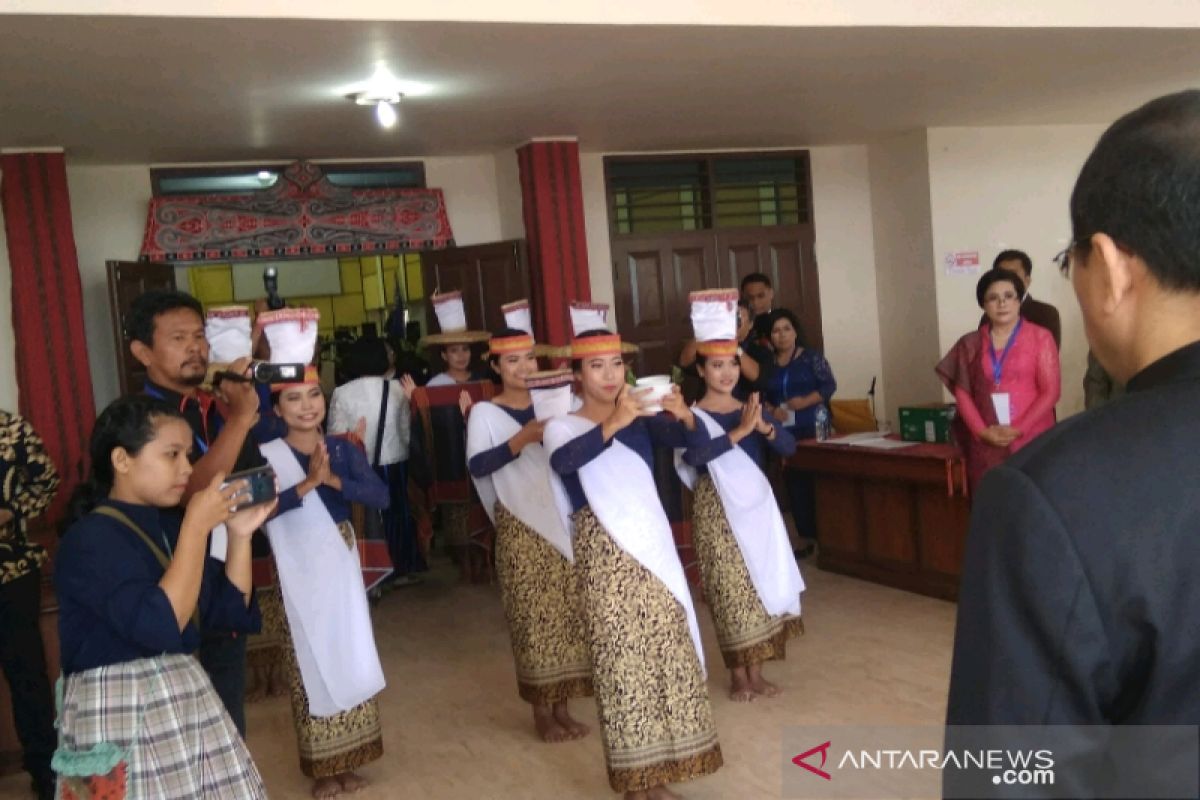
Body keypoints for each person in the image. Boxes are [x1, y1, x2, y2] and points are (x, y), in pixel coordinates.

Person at [946, 91, 1200, 798]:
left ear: (1113, 268)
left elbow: (1011, 774)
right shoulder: (971, 349)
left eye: (1073, 260)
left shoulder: (1054, 495)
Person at [54, 396, 271, 798]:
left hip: (183, 698)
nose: (187, 469)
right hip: (117, 712)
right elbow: (160, 624)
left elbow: (227, 612)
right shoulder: (91, 539)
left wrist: (240, 535)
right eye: (172, 455)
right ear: (122, 460)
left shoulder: (171, 525)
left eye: (187, 455)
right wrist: (195, 528)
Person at [546, 328, 721, 800]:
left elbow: (701, 450)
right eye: (596, 366)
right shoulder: (563, 425)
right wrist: (614, 423)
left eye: (616, 364)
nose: (609, 374)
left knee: (666, 656)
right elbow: (565, 462)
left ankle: (658, 776)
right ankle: (633, 784)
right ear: (577, 376)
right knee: (623, 667)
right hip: (604, 556)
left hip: (653, 550)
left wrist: (686, 417)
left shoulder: (643, 421)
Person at [127, 288, 264, 734]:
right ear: (143, 351)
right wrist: (240, 420)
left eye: (200, 336)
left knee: (227, 712)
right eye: (179, 338)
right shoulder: (139, 420)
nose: (196, 348)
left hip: (226, 572)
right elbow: (192, 491)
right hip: (173, 582)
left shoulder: (209, 406)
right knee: (184, 723)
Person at [259, 352, 389, 798]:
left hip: (340, 557)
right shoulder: (268, 456)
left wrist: (334, 482)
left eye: (313, 394)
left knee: (348, 649)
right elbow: (260, 512)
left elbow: (380, 496)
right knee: (310, 658)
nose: (306, 406)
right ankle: (322, 769)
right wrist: (306, 485)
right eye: (292, 398)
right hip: (297, 564)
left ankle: (352, 758)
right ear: (277, 410)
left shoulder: (341, 449)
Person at [674, 295, 805, 704]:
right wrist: (737, 434)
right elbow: (694, 458)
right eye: (716, 364)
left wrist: (761, 428)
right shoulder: (692, 415)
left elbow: (788, 448)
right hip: (716, 509)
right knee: (729, 590)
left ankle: (757, 672)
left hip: (757, 508)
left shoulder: (750, 406)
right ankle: (737, 676)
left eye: (732, 363)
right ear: (701, 369)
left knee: (757, 585)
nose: (727, 372)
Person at [466, 324, 593, 743]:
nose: (523, 367)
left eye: (529, 357)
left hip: (564, 521)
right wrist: (522, 438)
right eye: (512, 360)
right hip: (520, 527)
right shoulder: (486, 413)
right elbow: (478, 467)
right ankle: (542, 713)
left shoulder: (560, 403)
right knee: (533, 621)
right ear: (496, 366)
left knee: (569, 617)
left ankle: (564, 707)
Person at [936, 269, 1060, 491]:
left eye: (1009, 296)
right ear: (983, 305)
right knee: (993, 506)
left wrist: (1018, 429)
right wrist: (982, 431)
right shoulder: (970, 344)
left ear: (1019, 300)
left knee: (1031, 503)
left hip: (1032, 436)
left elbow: (1051, 392)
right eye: (993, 298)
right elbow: (962, 392)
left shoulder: (1040, 337)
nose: (1002, 303)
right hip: (986, 441)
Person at [328, 337, 423, 585]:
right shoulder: (397, 389)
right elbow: (405, 429)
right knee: (397, 512)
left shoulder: (341, 393)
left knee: (364, 517)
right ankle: (401, 565)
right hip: (395, 461)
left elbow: (336, 435)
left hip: (358, 463)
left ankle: (371, 568)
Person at [0, 410, 58, 800]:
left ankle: (45, 770)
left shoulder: (9, 427)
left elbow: (46, 483)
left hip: (11, 570)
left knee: (27, 675)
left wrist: (10, 512)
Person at [760, 309, 836, 557]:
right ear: (769, 336)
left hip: (814, 424)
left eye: (786, 329)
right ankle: (806, 538)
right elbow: (762, 396)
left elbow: (829, 385)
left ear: (795, 331)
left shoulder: (810, 357)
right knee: (796, 483)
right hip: (785, 430)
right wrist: (771, 409)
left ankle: (830, 537)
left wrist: (805, 401)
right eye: (776, 331)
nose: (781, 335)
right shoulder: (767, 364)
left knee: (820, 480)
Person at [677, 300, 768, 400]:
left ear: (750, 323)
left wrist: (730, 343)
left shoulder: (759, 347)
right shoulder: (711, 344)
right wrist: (710, 328)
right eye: (729, 317)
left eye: (737, 317)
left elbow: (758, 377)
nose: (732, 322)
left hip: (745, 406)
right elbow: (685, 362)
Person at [978, 249, 1063, 350]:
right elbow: (980, 352)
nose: (1007, 280)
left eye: (1013, 275)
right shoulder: (989, 314)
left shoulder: (1046, 313)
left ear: (1027, 281)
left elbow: (1049, 355)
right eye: (1002, 275)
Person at [740, 272, 775, 346]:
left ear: (771, 293)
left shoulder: (783, 321)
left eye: (761, 296)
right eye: (750, 298)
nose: (755, 302)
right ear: (742, 297)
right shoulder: (736, 325)